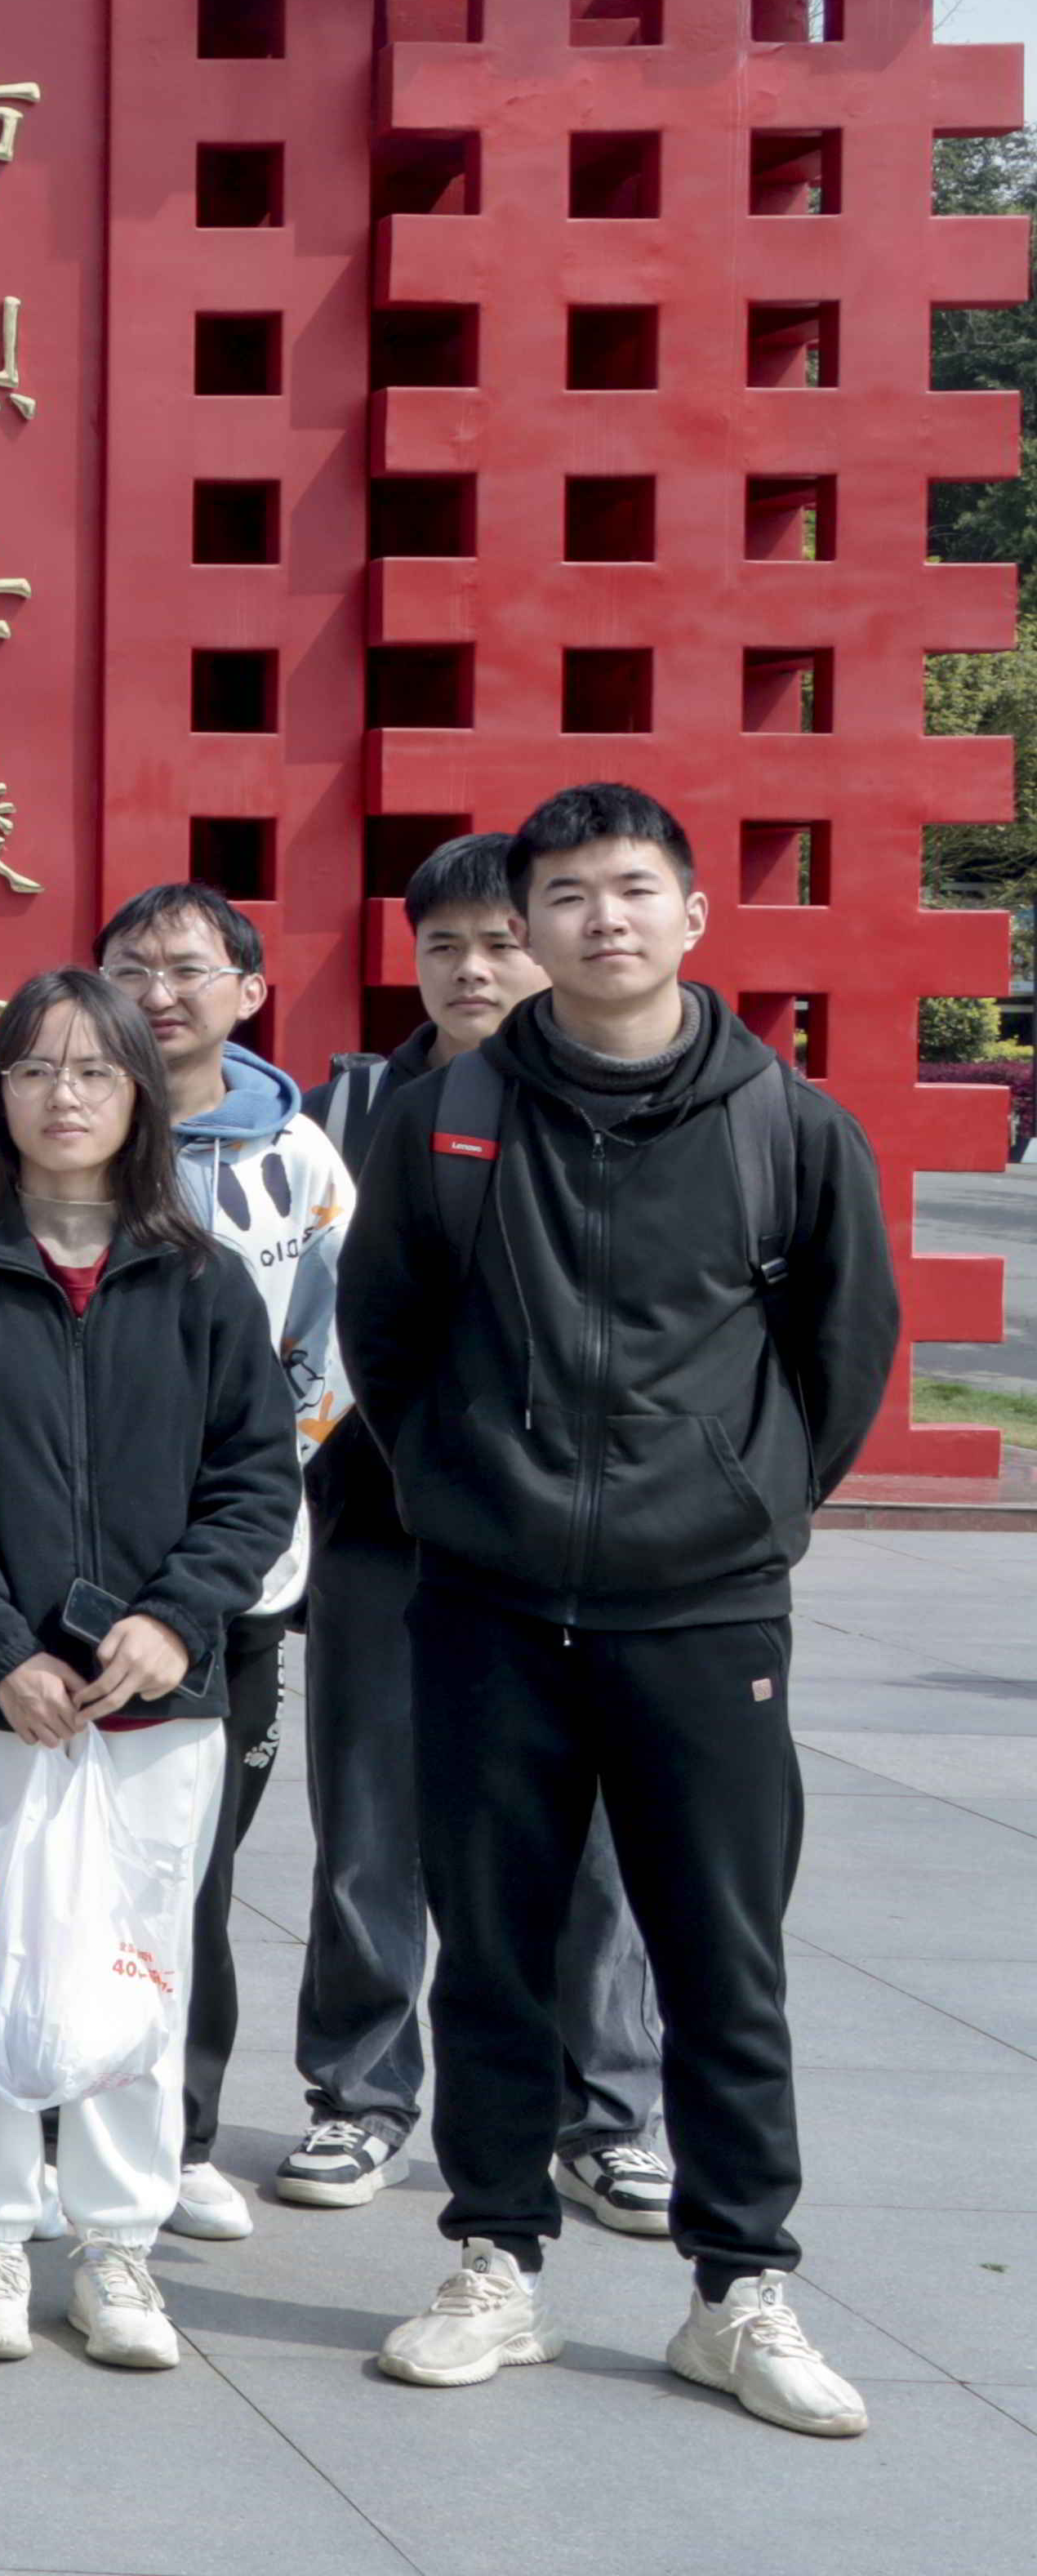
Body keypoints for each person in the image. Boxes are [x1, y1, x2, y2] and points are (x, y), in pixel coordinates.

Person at [344, 784, 895, 2438]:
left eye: (633, 888)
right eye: (565, 895)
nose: (603, 920)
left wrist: (747, 1502)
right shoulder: (445, 1118)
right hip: (493, 1600)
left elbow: (843, 1350)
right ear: (528, 926)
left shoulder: (784, 1124)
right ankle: (493, 2258)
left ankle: (739, 2287)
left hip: (702, 1607)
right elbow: (390, 1344)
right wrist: (464, 1495)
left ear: (694, 910)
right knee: (495, 1949)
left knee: (723, 1955)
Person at [0, 971, 296, 2373]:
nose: (62, 1094)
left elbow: (257, 1476)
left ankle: (117, 2242)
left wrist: (177, 1620)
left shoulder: (205, 1280)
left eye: (93, 1069)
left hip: (157, 1696)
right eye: (31, 1069)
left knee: (141, 1964)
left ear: (139, 1092)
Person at [278, 833, 670, 2226]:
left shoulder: (627, 1106)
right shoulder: (350, 1104)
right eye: (444, 942)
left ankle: (604, 2110)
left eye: (500, 938)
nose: (472, 966)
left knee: (589, 1836)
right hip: (388, 1533)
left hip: (583, 1538)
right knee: (371, 1828)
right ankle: (361, 2092)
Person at [80, 880, 358, 2247]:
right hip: (66, 1573)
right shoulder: (50, 1132)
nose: (160, 990)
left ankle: (179, 2128)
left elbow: (331, 1349)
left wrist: (233, 1496)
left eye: (190, 968)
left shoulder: (301, 1157)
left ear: (250, 987)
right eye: (132, 966)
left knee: (192, 1863)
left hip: (237, 1573)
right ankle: (37, 2099)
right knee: (51, 1851)